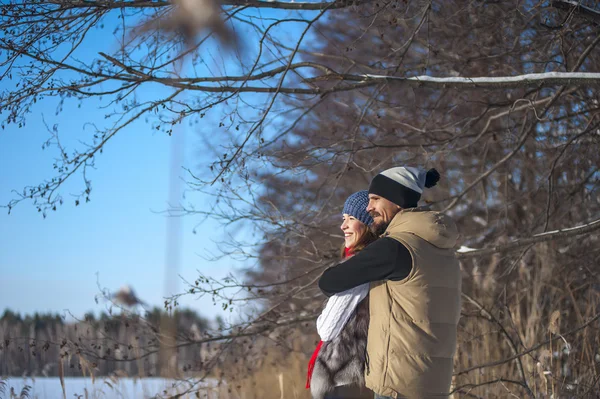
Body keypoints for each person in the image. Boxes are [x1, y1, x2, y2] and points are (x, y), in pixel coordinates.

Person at [318, 167, 461, 399]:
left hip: (398, 384)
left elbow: (329, 281)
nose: (369, 207)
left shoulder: (394, 248)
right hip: (435, 382)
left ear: (397, 201)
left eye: (375, 199)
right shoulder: (441, 248)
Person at [307, 190, 377, 399]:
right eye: (343, 219)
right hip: (357, 376)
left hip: (344, 376)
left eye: (352, 219)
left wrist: (323, 314)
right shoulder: (376, 260)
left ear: (367, 225)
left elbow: (326, 329)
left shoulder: (359, 266)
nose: (343, 226)